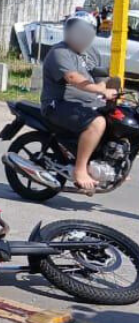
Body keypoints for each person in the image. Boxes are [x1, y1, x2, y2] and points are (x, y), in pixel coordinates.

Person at [41, 12, 116, 193]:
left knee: (118, 118)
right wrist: (100, 90)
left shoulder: (91, 53)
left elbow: (101, 76)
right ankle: (80, 169)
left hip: (87, 104)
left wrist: (104, 86)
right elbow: (73, 77)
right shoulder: (59, 52)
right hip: (58, 105)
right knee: (97, 123)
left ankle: (110, 165)